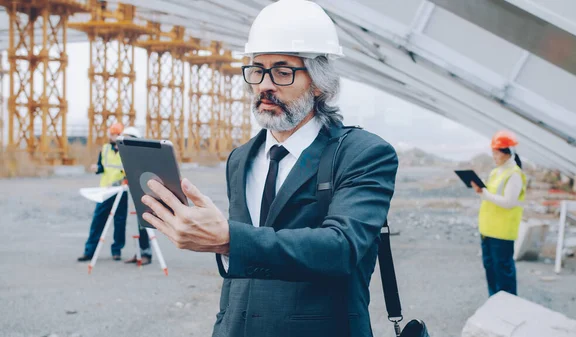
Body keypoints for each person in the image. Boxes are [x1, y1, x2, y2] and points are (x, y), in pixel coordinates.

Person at [140, 1, 399, 336]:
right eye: (257, 70)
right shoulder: (241, 158)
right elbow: (242, 268)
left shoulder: (362, 154)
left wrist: (230, 239)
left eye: (282, 71)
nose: (264, 84)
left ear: (319, 82)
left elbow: (341, 249)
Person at [471, 130, 527, 296]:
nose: (494, 156)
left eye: (496, 152)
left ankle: (508, 310)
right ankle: (494, 307)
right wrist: (482, 191)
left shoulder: (515, 174)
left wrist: (484, 193)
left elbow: (509, 202)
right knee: (491, 271)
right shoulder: (496, 172)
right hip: (488, 230)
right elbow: (491, 197)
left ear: (507, 153)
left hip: (502, 233)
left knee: (503, 274)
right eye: (493, 152)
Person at [77, 122, 128, 262]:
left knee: (119, 222)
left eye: (117, 134)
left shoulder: (127, 151)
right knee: (98, 221)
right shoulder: (105, 149)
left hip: (120, 191)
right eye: (112, 134)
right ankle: (89, 251)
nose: (114, 137)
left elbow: (129, 170)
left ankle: (116, 250)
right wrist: (97, 168)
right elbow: (102, 167)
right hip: (105, 191)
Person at [119, 126, 153, 266]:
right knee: (136, 224)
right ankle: (138, 253)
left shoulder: (143, 154)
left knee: (143, 224)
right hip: (134, 189)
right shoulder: (129, 155)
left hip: (144, 192)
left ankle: (146, 253)